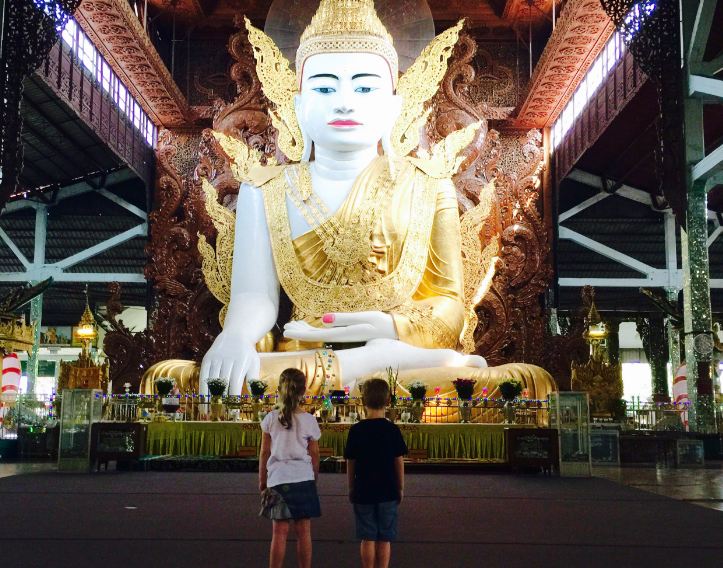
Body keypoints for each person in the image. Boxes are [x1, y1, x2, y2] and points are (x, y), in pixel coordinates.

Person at [259, 368, 321, 568]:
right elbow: (315, 454)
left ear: (279, 389)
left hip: (277, 479)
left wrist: (262, 481)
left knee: (279, 533)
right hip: (303, 479)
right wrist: (314, 477)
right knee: (304, 533)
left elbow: (264, 453)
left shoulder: (270, 419)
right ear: (304, 391)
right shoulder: (309, 420)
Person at [345, 377, 407, 568]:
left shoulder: (356, 430)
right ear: (388, 401)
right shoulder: (392, 430)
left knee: (367, 537)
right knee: (384, 538)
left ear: (363, 401)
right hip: (388, 490)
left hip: (363, 489)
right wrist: (401, 487)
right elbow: (399, 461)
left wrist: (351, 487)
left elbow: (351, 463)